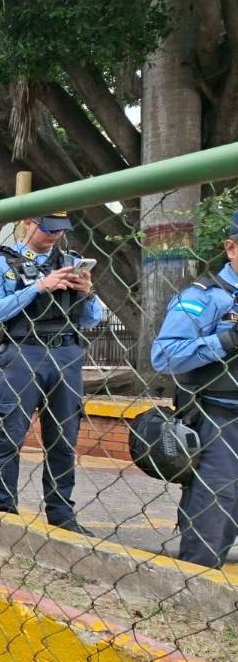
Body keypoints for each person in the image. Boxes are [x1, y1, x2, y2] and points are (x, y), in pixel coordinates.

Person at [0, 212, 101, 535]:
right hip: (22, 352)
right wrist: (37, 288)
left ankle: (61, 514)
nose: (56, 236)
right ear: (29, 222)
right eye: (49, 229)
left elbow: (91, 320)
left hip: (66, 352)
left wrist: (86, 293)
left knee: (63, 438)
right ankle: (5, 512)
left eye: (62, 230)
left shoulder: (72, 262)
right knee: (9, 435)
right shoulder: (2, 264)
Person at [150, 211, 238, 568]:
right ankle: (191, 597)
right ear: (231, 248)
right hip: (219, 418)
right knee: (213, 511)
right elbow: (164, 355)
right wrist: (228, 339)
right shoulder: (205, 297)